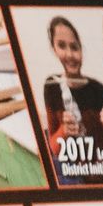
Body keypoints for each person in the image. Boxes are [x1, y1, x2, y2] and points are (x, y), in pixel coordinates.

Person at [38, 13, 89, 149]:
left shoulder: (97, 89)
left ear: (81, 48)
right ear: (54, 49)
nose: (69, 54)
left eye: (74, 47)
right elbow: (54, 147)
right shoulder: (52, 85)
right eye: (61, 46)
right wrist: (64, 131)